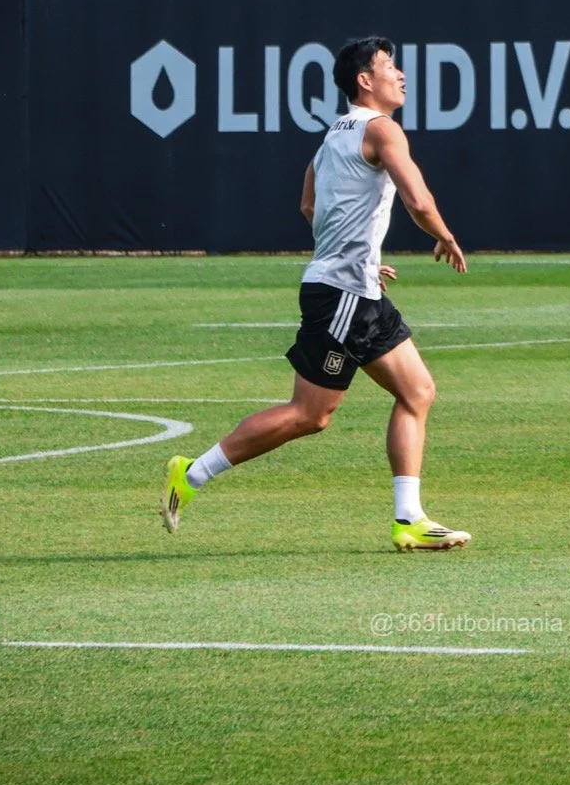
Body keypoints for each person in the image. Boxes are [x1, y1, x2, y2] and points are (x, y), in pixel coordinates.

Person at [160, 36, 472, 551]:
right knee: (311, 413)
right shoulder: (382, 130)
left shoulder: (334, 135)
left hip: (350, 289)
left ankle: (409, 519)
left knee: (417, 392)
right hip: (342, 296)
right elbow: (419, 199)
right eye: (389, 66)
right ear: (364, 81)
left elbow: (309, 203)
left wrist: (361, 255)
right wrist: (444, 235)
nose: (401, 74)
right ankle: (190, 474)